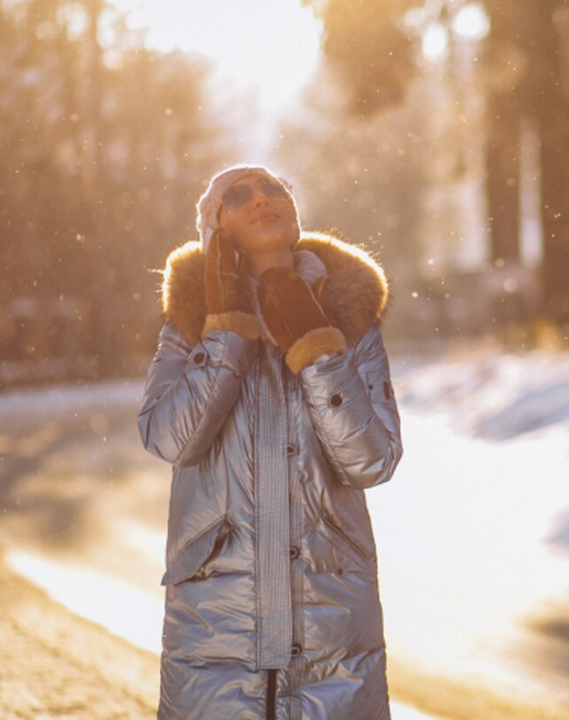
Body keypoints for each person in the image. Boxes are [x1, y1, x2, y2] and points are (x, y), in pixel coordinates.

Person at [136, 163, 404, 720]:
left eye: (274, 189)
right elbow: (168, 439)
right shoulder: (187, 326)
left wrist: (318, 349)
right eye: (239, 196)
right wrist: (228, 332)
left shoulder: (350, 320)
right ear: (216, 227)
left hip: (333, 623)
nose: (262, 199)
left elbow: (374, 460)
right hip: (215, 628)